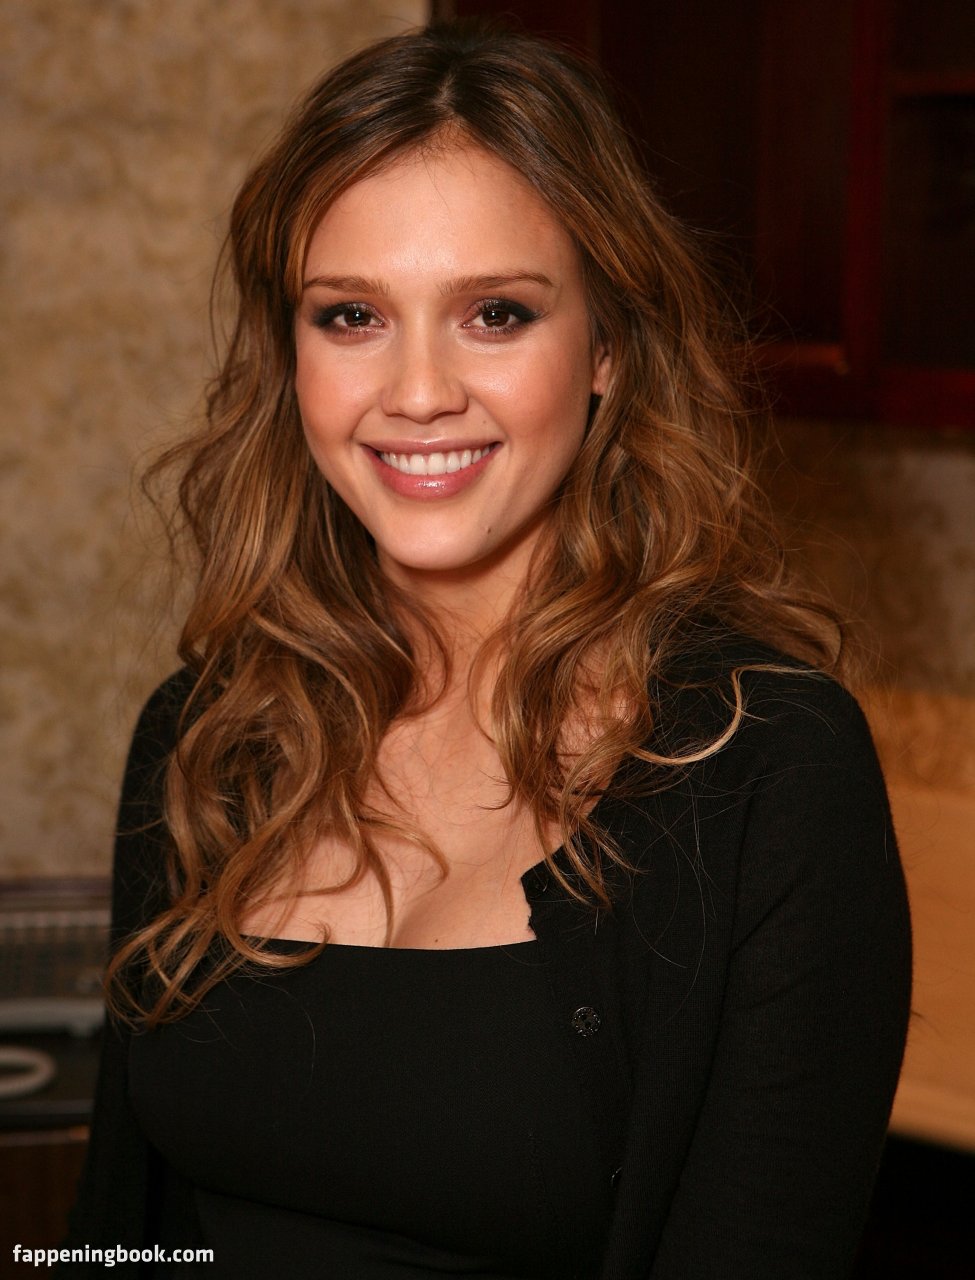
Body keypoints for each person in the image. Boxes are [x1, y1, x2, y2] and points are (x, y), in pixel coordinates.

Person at [64, 20, 911, 1279]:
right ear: (291, 355)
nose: (418, 392)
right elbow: (118, 1237)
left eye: (496, 313)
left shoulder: (769, 772)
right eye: (351, 315)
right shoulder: (206, 736)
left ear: (608, 347)